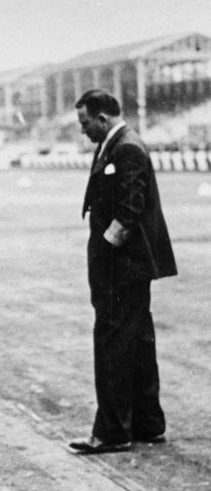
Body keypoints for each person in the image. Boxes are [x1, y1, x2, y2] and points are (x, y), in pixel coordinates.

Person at [69, 89, 177, 455]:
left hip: (122, 267)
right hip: (131, 267)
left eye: (85, 122)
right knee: (138, 343)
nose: (83, 130)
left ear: (102, 118)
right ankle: (148, 423)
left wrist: (105, 250)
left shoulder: (126, 147)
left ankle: (113, 431)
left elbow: (131, 208)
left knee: (113, 344)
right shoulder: (117, 144)